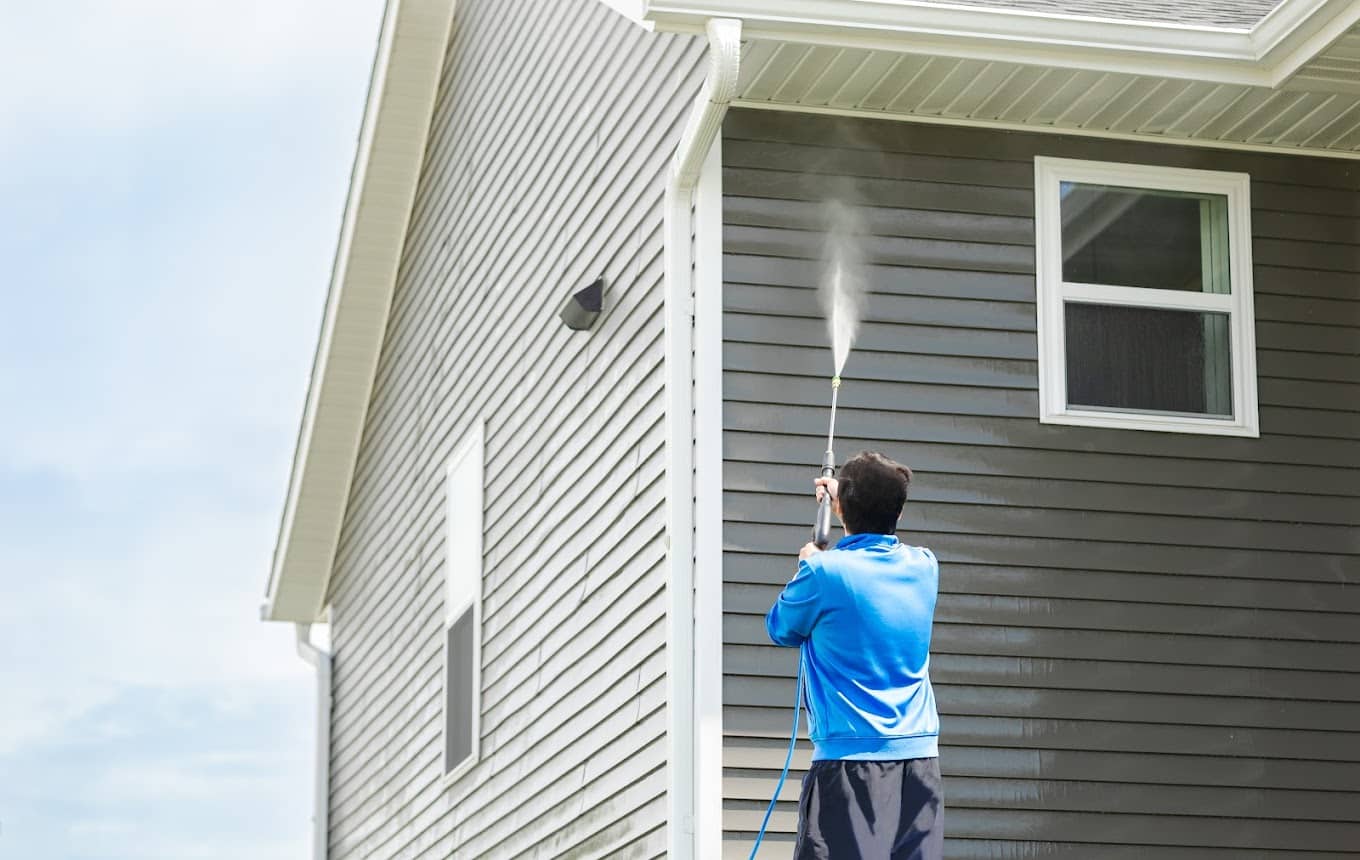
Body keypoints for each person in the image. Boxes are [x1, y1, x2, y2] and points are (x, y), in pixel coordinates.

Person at [765, 450, 943, 860]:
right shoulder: (925, 567)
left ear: (841, 506)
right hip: (919, 764)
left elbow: (780, 628)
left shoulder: (823, 573)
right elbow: (881, 529)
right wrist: (845, 498)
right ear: (897, 513)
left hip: (849, 765)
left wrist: (809, 563)